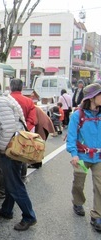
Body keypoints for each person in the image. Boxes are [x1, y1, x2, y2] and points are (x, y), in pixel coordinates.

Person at [0, 78, 37, 231]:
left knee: (15, 184)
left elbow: (8, 128)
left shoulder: (0, 102)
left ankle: (29, 216)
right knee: (11, 182)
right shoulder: (5, 98)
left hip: (10, 149)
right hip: (14, 146)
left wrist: (1, 147)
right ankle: (7, 210)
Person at [66, 83, 101, 232]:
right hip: (81, 156)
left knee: (100, 186)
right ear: (92, 98)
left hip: (99, 156)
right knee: (79, 183)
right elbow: (72, 136)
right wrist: (73, 154)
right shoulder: (77, 115)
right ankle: (78, 202)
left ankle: (97, 215)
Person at [10, 79, 37, 183]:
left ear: (11, 87)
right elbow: (32, 119)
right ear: (21, 88)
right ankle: (23, 177)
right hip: (23, 133)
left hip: (8, 133)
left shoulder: (6, 99)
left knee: (8, 155)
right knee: (23, 155)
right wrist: (26, 129)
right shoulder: (28, 101)